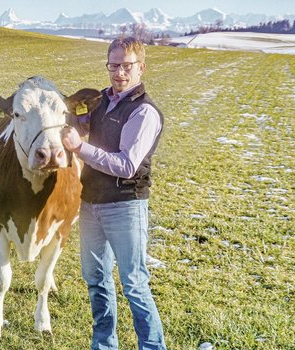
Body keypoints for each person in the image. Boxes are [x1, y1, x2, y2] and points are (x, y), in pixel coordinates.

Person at [61, 36, 167, 349]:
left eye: (126, 66)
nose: (119, 72)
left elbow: (126, 165)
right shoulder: (101, 101)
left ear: (141, 67)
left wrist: (80, 147)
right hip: (91, 203)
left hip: (125, 206)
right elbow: (81, 123)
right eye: (114, 65)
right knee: (96, 280)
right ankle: (104, 344)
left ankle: (152, 346)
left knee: (134, 283)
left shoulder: (144, 112)